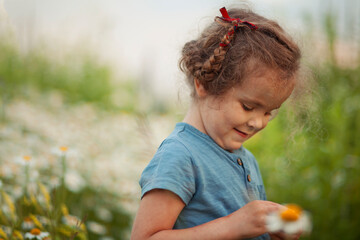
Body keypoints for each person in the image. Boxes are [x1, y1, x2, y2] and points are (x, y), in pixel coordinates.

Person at [131, 6, 304, 240]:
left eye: (269, 112)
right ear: (203, 83)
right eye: (248, 107)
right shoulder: (181, 156)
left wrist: (270, 230)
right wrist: (234, 225)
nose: (258, 123)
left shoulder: (245, 159)